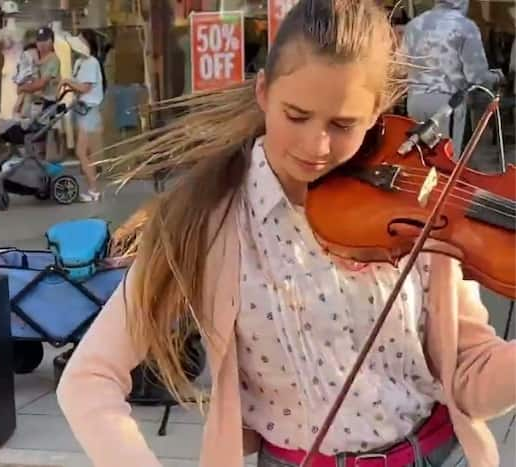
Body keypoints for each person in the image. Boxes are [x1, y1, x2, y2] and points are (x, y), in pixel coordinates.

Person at [56, 1, 516, 466]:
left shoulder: (419, 206)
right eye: (296, 115)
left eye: (343, 125)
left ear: (378, 111)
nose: (317, 146)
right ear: (263, 91)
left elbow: (471, 379)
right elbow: (90, 376)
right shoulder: (210, 220)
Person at [401, 0, 504, 158]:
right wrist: (496, 77)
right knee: (444, 162)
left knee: (417, 159)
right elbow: (476, 76)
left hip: (415, 102)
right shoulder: (465, 27)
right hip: (446, 107)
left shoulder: (414, 25)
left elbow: (401, 68)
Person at [59, 29, 106, 202]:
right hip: (83, 110)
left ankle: (94, 190)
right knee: (86, 152)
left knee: (82, 152)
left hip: (89, 111)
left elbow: (85, 88)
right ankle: (93, 188)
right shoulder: (81, 62)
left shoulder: (91, 62)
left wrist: (67, 82)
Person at [17, 26, 62, 159]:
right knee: (35, 136)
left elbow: (41, 84)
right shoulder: (36, 59)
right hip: (34, 103)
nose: (41, 44)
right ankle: (37, 163)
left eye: (45, 41)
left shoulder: (53, 60)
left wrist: (23, 88)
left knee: (40, 135)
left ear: (52, 41)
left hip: (46, 103)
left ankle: (41, 163)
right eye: (39, 41)